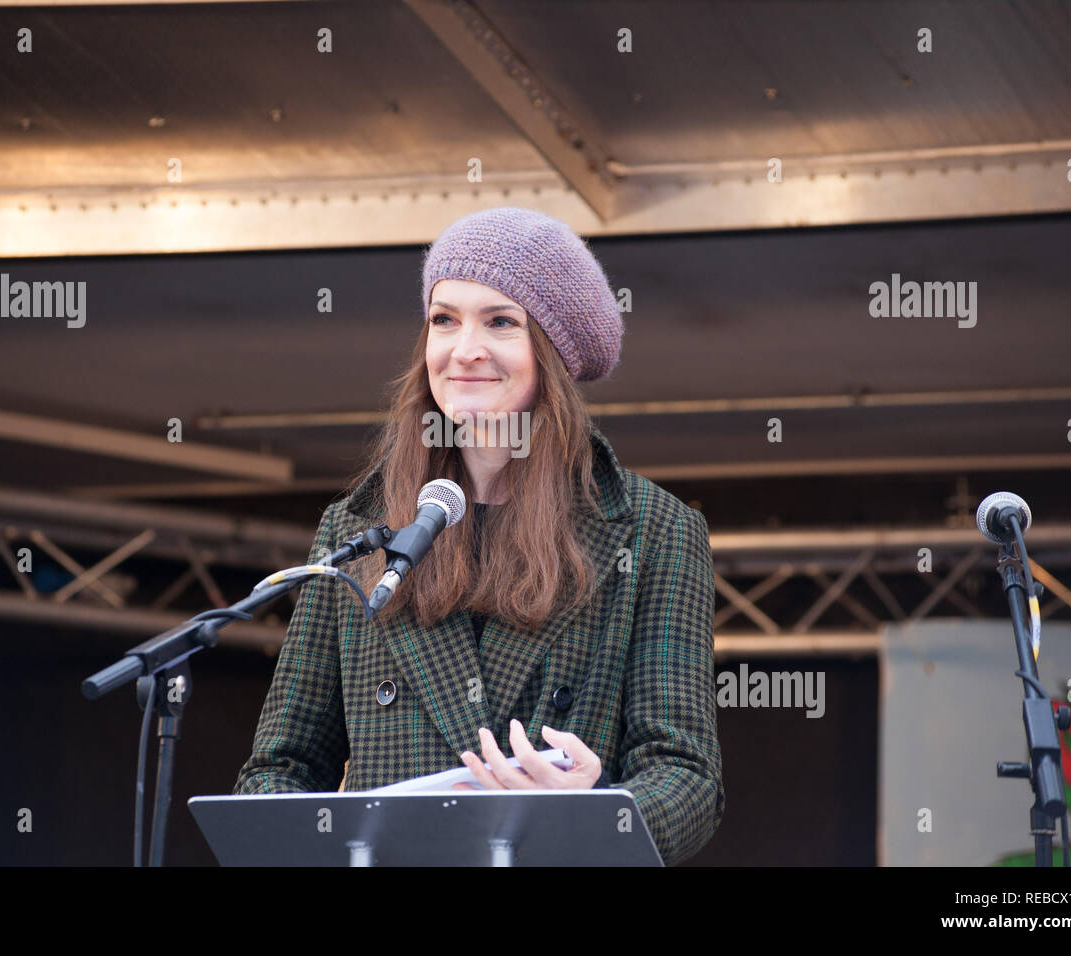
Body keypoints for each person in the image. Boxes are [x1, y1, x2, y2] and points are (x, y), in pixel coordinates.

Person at [234, 207, 724, 865]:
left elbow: (686, 776)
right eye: (444, 320)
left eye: (501, 322)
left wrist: (601, 805)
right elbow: (282, 765)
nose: (464, 349)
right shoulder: (352, 529)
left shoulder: (655, 531)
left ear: (551, 355)